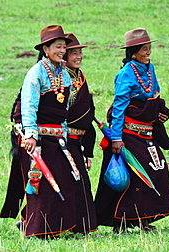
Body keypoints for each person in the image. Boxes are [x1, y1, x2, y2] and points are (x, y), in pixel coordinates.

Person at [0, 25, 93, 238]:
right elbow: (29, 106)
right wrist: (31, 135)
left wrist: (66, 136)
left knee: (66, 180)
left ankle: (59, 227)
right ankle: (40, 230)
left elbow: (64, 111)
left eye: (64, 48)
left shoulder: (64, 74)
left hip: (59, 138)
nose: (62, 51)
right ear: (45, 48)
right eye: (58, 47)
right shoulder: (36, 73)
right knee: (43, 186)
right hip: (40, 139)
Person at [94, 28, 169, 232]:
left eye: (149, 48)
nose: (148, 53)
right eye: (144, 49)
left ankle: (143, 218)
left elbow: (154, 94)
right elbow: (119, 107)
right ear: (133, 52)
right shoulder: (125, 74)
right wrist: (117, 138)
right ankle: (120, 221)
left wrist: (159, 111)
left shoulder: (149, 68)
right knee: (135, 176)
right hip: (128, 133)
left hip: (147, 133)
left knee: (158, 172)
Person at [62, 32, 97, 233]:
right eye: (74, 53)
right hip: (62, 138)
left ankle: (82, 226)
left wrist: (87, 150)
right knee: (69, 181)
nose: (78, 57)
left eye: (80, 52)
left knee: (81, 181)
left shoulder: (80, 76)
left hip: (78, 138)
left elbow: (86, 112)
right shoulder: (60, 76)